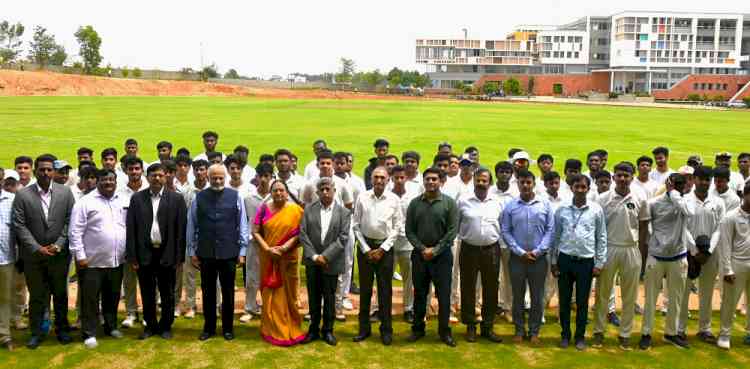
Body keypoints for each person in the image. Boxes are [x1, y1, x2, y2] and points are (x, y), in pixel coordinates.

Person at [12, 154, 75, 349]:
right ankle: (37, 333)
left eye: (49, 169)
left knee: (60, 294)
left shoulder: (65, 193)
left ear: (53, 171)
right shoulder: (23, 195)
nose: (46, 173)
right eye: (42, 169)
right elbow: (19, 225)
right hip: (34, 257)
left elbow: (69, 221)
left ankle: (62, 329)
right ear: (36, 171)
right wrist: (36, 248)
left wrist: (59, 244)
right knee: (38, 296)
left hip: (59, 255)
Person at [592, 162, 650, 350]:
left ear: (632, 177)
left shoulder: (640, 197)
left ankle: (625, 333)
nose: (623, 179)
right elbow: (597, 229)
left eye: (626, 175)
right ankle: (599, 331)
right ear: (613, 177)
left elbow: (643, 227)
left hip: (631, 248)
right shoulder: (603, 199)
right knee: (602, 292)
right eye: (619, 175)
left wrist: (640, 252)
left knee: (629, 294)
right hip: (609, 248)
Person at [187, 164, 248, 341]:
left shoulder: (236, 196)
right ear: (208, 177)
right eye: (214, 178)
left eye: (221, 177)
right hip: (206, 253)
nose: (218, 181)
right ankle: (209, 328)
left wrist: (242, 251)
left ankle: (228, 328)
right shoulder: (199, 198)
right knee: (208, 292)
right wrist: (192, 251)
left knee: (228, 292)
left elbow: (242, 224)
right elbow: (191, 225)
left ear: (226, 176)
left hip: (229, 252)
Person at [126, 163, 187, 340]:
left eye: (160, 175)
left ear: (166, 176)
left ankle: (166, 326)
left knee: (167, 292)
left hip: (167, 253)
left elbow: (180, 230)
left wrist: (179, 256)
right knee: (147, 292)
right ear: (148, 177)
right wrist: (133, 255)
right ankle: (150, 326)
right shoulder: (137, 199)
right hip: (145, 253)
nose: (157, 178)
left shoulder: (176, 199)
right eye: (153, 175)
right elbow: (131, 228)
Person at [69, 169, 128, 349]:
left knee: (112, 296)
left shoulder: (121, 200)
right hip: (91, 262)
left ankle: (110, 327)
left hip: (116, 260)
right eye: (104, 180)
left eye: (111, 180)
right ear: (98, 181)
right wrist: (80, 256)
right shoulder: (85, 202)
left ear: (116, 182)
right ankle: (89, 332)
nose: (108, 183)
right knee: (90, 299)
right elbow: (75, 231)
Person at [551, 174, 607, 350]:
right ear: (572, 188)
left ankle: (580, 336)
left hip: (586, 261)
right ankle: (565, 335)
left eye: (583, 187)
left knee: (582, 302)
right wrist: (554, 261)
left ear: (588, 189)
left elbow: (601, 237)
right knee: (565, 301)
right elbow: (556, 236)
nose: (580, 190)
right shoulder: (562, 209)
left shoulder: (596, 209)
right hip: (565, 259)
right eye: (577, 186)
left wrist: (599, 263)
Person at [640, 173, 694, 350]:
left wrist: (674, 194)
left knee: (675, 298)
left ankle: (671, 333)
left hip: (678, 257)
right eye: (676, 184)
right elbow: (647, 228)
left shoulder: (685, 202)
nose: (680, 187)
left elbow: (689, 212)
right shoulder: (654, 203)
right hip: (656, 256)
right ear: (669, 183)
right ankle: (646, 333)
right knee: (650, 298)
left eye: (682, 184)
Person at [406, 167, 458, 347]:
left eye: (434, 179)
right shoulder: (414, 203)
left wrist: (434, 250)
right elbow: (409, 231)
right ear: (423, 181)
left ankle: (445, 332)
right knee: (420, 294)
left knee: (443, 296)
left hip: (442, 257)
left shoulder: (449, 203)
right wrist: (422, 249)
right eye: (427, 179)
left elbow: (452, 231)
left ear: (440, 181)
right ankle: (418, 329)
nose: (430, 182)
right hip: (420, 256)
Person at [501, 169, 553, 345]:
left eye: (528, 182)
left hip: (539, 259)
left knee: (537, 297)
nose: (525, 185)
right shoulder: (510, 206)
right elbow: (506, 231)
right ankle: (518, 330)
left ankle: (534, 331)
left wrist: (538, 251)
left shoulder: (544, 205)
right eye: (522, 182)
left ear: (533, 184)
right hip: (518, 258)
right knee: (517, 295)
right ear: (518, 184)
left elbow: (550, 230)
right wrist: (520, 251)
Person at [253, 180, 306, 346]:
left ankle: (291, 325)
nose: (278, 193)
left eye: (282, 190)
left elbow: (301, 234)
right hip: (268, 258)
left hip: (288, 257)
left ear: (287, 192)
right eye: (275, 191)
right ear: (271, 192)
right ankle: (271, 327)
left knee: (288, 293)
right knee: (270, 292)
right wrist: (268, 249)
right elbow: (255, 231)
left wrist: (283, 248)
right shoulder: (264, 208)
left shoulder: (296, 210)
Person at [352, 167, 401, 345]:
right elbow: (355, 225)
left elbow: (397, 227)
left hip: (385, 249)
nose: (379, 180)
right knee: (365, 290)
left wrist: (382, 249)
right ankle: (364, 329)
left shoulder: (394, 200)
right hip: (365, 247)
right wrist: (366, 249)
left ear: (388, 180)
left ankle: (386, 330)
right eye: (376, 177)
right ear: (371, 179)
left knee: (385, 290)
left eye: (382, 177)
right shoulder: (362, 197)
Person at [299, 177, 349, 346]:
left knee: (329, 298)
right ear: (317, 192)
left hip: (331, 262)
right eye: (322, 189)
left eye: (328, 189)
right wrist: (315, 256)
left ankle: (328, 330)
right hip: (313, 262)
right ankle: (313, 330)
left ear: (334, 190)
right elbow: (303, 234)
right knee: (313, 297)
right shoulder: (308, 210)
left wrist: (325, 256)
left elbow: (343, 238)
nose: (325, 192)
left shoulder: (344, 212)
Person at [677, 166, 724, 343]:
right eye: (701, 179)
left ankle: (705, 329)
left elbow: (720, 228)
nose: (704, 182)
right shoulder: (685, 200)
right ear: (694, 180)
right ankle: (679, 329)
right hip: (689, 253)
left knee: (707, 292)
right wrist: (695, 251)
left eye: (707, 179)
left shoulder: (718, 202)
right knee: (684, 291)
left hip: (710, 255)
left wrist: (709, 250)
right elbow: (683, 227)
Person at [456, 168, 503, 343]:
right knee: (468, 287)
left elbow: (502, 225)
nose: (481, 183)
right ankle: (470, 326)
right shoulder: (463, 201)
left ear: (489, 183)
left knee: (491, 287)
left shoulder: (497, 202)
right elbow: (456, 224)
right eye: (478, 180)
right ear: (474, 181)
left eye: (484, 181)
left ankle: (487, 326)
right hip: (469, 249)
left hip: (491, 249)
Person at [239, 163, 274, 323]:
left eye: (268, 176)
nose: (265, 180)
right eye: (262, 176)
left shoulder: (276, 198)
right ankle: (250, 308)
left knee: (271, 277)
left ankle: (269, 307)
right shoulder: (248, 199)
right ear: (257, 178)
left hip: (272, 244)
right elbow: (244, 222)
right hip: (254, 243)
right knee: (252, 277)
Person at [717, 182, 750, 350]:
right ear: (744, 195)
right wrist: (727, 269)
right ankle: (724, 334)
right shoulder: (731, 217)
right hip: (737, 263)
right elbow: (724, 246)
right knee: (730, 302)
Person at [117, 156, 149, 329]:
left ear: (142, 170)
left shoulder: (150, 188)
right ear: (126, 170)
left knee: (148, 280)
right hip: (126, 242)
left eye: (137, 168)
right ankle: (130, 312)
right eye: (131, 169)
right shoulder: (119, 192)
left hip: (147, 244)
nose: (134, 172)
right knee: (128, 280)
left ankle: (147, 312)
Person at [176, 159, 209, 319]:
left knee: (211, 276)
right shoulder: (187, 191)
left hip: (209, 238)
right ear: (193, 171)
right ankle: (190, 306)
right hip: (191, 238)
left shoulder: (213, 189)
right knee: (189, 274)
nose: (199, 172)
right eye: (196, 170)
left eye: (202, 169)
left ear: (207, 171)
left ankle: (214, 305)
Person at [390, 165, 418, 323]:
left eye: (402, 177)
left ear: (406, 178)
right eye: (396, 178)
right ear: (392, 178)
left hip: (408, 242)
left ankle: (408, 308)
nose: (399, 180)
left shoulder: (413, 196)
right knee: (385, 277)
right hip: (390, 243)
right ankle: (380, 307)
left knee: (409, 277)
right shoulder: (387, 195)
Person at [0, 185, 15, 351]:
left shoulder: (10, 200)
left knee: (4, 298)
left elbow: (18, 227)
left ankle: (4, 335)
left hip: (5, 258)